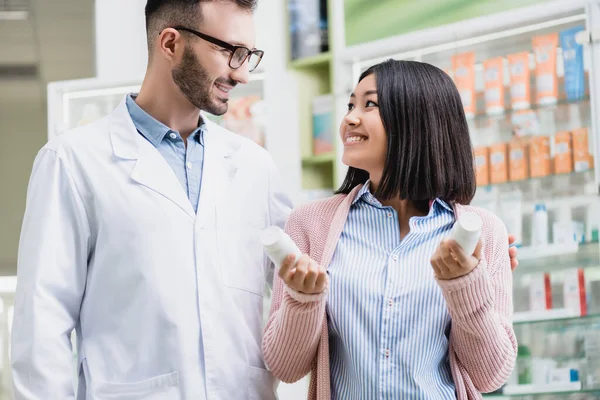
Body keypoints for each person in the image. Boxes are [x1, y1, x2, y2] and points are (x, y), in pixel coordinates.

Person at [11, 1, 291, 399]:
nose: (242, 73)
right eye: (231, 52)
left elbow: (298, 290)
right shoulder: (73, 162)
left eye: (248, 56)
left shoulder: (254, 167)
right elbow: (42, 326)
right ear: (171, 43)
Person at [262, 59, 518, 399]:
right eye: (351, 104)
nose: (349, 118)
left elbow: (491, 375)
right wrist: (302, 300)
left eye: (370, 104)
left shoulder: (481, 231)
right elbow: (285, 366)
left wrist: (465, 285)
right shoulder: (310, 224)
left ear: (417, 119)